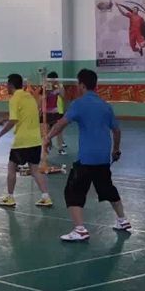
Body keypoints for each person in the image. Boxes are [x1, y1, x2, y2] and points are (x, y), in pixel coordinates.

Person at [45, 68, 130, 242]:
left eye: (78, 84)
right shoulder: (105, 105)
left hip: (86, 158)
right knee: (107, 189)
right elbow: (116, 130)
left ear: (82, 85)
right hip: (103, 157)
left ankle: (80, 230)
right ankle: (122, 220)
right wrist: (116, 150)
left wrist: (47, 138)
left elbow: (61, 124)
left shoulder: (79, 104)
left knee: (73, 191)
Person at [0, 73, 52, 208]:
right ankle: (46, 197)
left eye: (7, 84)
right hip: (35, 140)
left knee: (11, 167)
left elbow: (14, 120)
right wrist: (3, 119)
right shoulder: (29, 97)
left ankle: (10, 197)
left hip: (22, 142)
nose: (6, 87)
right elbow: (21, 114)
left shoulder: (14, 99)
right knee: (35, 170)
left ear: (11, 85)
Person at [43, 71, 67, 156]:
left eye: (53, 80)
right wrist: (47, 90)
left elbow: (63, 96)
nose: (51, 82)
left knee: (58, 130)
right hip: (46, 112)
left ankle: (60, 148)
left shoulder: (59, 87)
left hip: (56, 112)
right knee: (46, 131)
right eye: (49, 80)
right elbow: (43, 98)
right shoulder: (46, 87)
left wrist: (58, 87)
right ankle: (48, 145)